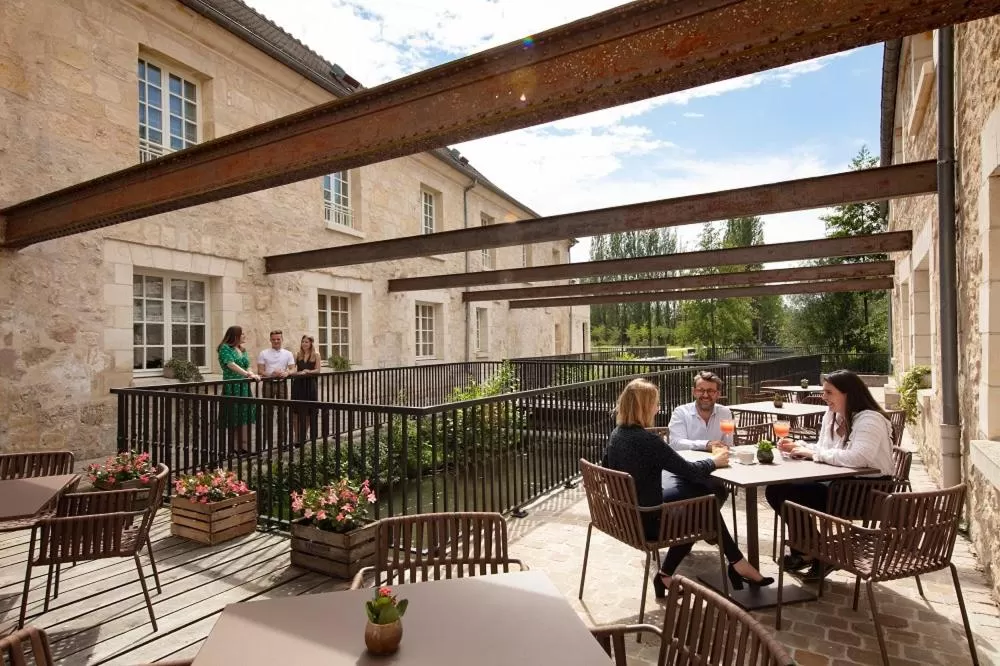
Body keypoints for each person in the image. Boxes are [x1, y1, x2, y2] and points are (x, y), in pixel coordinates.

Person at [603, 378, 773, 598]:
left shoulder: (617, 434)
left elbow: (606, 468)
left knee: (699, 502)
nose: (658, 409)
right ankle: (738, 564)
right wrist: (714, 462)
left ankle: (670, 575)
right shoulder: (648, 441)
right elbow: (689, 471)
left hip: (625, 518)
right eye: (655, 403)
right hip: (648, 523)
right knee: (702, 511)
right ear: (644, 407)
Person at [765, 369, 895, 580]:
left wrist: (812, 454)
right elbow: (824, 449)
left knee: (791, 495)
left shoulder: (870, 419)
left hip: (865, 492)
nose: (823, 397)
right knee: (776, 490)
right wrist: (800, 446)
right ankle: (814, 552)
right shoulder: (832, 415)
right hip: (839, 484)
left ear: (848, 393)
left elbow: (859, 457)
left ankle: (815, 553)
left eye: (829, 392)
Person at [667, 370, 734, 452]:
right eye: (701, 390)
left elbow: (728, 443)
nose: (705, 395)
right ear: (694, 392)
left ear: (718, 394)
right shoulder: (681, 412)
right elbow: (676, 443)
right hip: (688, 460)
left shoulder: (725, 413)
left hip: (718, 458)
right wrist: (706, 445)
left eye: (710, 391)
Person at [218, 325, 259, 453]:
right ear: (235, 336)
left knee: (245, 415)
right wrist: (247, 375)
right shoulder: (225, 348)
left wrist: (251, 373)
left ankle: (245, 445)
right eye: (242, 334)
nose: (244, 336)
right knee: (234, 416)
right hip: (232, 386)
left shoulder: (242, 349)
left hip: (244, 387)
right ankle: (235, 447)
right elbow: (231, 364)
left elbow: (248, 365)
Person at [291, 334, 322, 441]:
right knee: (296, 410)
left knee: (309, 410)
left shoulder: (316, 354)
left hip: (310, 385)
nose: (304, 344)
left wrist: (308, 371)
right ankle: (297, 436)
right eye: (303, 341)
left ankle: (304, 434)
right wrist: (295, 373)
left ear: (311, 343)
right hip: (298, 384)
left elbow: (318, 370)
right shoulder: (297, 354)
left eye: (306, 342)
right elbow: (292, 368)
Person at [257, 329, 296, 399]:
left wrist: (287, 373)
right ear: (270, 340)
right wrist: (271, 374)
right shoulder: (263, 353)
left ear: (282, 339)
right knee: (267, 404)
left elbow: (293, 369)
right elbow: (260, 371)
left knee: (283, 404)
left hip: (282, 383)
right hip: (268, 383)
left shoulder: (288, 353)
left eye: (278, 339)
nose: (276, 341)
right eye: (273, 339)